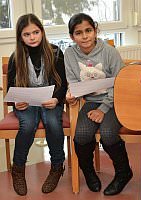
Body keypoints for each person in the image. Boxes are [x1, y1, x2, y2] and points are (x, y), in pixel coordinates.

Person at [64, 13, 132, 195]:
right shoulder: (69, 54)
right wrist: (72, 96)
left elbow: (121, 82)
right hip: (91, 101)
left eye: (88, 30)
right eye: (79, 33)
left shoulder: (109, 52)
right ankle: (89, 172)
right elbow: (73, 82)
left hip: (115, 100)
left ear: (95, 31)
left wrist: (103, 109)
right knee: (82, 134)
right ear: (72, 37)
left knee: (109, 133)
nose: (85, 36)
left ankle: (124, 173)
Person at [7, 14, 68, 196]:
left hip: (51, 100)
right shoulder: (15, 57)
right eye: (27, 34)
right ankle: (18, 169)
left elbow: (63, 83)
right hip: (27, 103)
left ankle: (57, 167)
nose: (32, 37)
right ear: (20, 37)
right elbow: (11, 86)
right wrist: (17, 100)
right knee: (27, 126)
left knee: (53, 122)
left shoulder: (56, 52)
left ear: (42, 32)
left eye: (36, 32)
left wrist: (57, 99)